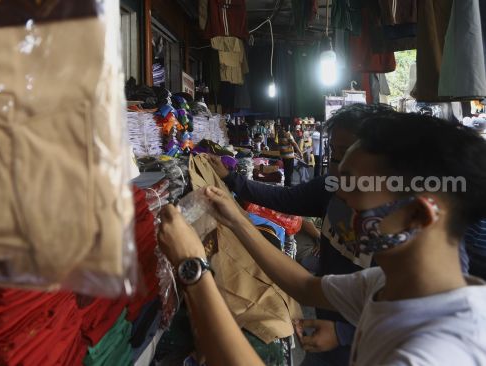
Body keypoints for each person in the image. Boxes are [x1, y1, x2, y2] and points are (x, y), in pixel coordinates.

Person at [158, 113, 486, 366]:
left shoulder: (436, 352)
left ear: (418, 215)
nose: (339, 194)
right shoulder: (390, 285)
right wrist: (235, 218)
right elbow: (305, 286)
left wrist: (193, 268)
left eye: (355, 185)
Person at [205, 103, 396, 366]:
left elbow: (417, 312)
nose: (334, 169)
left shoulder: (399, 231)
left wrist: (345, 334)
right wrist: (232, 182)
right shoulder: (333, 189)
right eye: (334, 155)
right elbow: (307, 288)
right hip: (325, 327)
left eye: (345, 157)